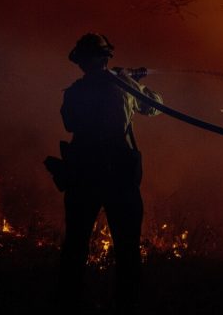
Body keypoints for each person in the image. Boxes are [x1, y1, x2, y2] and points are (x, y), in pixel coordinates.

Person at [58, 33, 162, 312]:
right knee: (127, 247)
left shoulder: (75, 92)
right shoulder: (125, 85)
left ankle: (70, 300)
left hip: (84, 175)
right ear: (106, 59)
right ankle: (126, 303)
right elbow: (155, 107)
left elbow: (69, 123)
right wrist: (134, 81)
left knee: (76, 244)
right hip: (119, 177)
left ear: (81, 63)